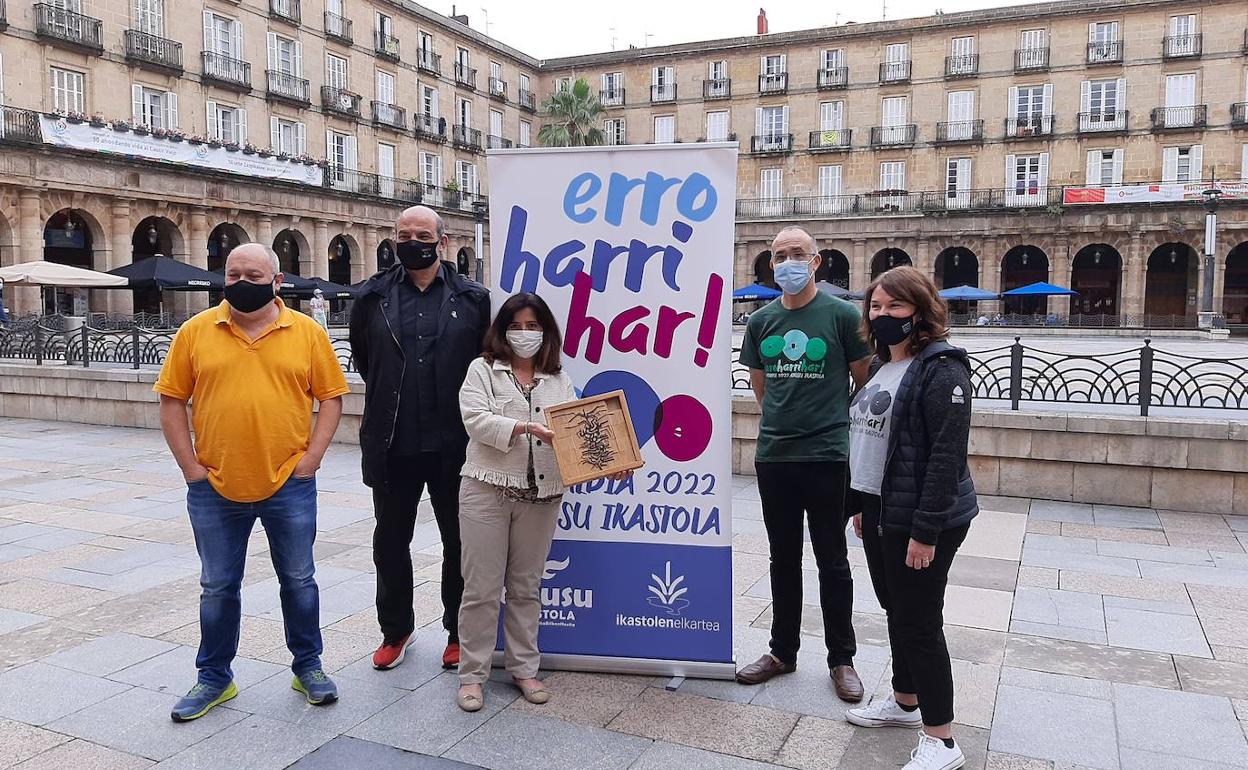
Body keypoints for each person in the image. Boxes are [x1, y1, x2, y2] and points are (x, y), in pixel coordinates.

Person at [154, 243, 349, 722]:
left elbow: (332, 398)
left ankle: (308, 666)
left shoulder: (306, 332)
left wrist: (312, 458)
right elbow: (171, 401)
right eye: (233, 273)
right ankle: (214, 677)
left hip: (290, 482)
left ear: (277, 281)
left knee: (299, 580)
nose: (242, 282)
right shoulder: (195, 331)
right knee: (217, 586)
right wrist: (189, 468)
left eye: (253, 273)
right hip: (214, 486)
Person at [843, 266, 978, 770]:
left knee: (919, 622)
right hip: (882, 508)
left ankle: (941, 738)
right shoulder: (882, 364)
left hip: (925, 516)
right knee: (897, 612)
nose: (882, 316)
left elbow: (946, 456)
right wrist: (860, 504)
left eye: (894, 307)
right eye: (875, 307)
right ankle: (905, 702)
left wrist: (925, 533)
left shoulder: (941, 369)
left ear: (920, 311)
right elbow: (868, 440)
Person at [349, 205, 491, 672]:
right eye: (403, 233)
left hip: (457, 444)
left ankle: (457, 630)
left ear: (441, 241)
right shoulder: (371, 296)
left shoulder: (474, 300)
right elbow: (367, 362)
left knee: (460, 541)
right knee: (390, 541)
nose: (412, 241)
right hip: (393, 441)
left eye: (421, 234)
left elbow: (484, 367)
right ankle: (396, 630)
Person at [736, 226, 872, 703]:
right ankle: (782, 651)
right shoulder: (760, 322)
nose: (788, 262)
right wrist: (786, 421)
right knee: (782, 559)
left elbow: (864, 383)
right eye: (779, 255)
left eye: (797, 254)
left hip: (829, 457)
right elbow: (761, 388)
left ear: (816, 262)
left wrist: (830, 425)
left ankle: (842, 659)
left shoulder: (841, 315)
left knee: (833, 561)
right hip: (776, 457)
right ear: (771, 265)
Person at [454, 292, 577, 712]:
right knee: (481, 590)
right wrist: (527, 428)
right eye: (517, 326)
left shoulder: (558, 379)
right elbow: (476, 420)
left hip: (542, 497)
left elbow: (576, 437)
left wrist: (607, 462)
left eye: (533, 326)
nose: (525, 334)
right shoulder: (483, 370)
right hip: (486, 492)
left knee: (526, 588)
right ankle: (472, 675)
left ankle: (525, 669)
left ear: (546, 332)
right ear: (502, 330)